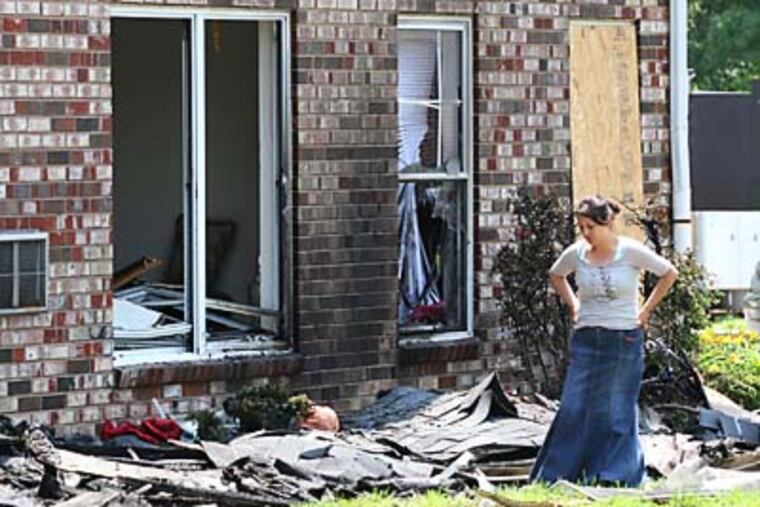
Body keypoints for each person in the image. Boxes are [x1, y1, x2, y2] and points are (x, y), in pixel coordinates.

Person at [530, 195, 678, 487]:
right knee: (574, 406)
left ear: (608, 223)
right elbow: (556, 274)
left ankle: (616, 476)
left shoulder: (630, 251)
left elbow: (669, 273)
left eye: (590, 227)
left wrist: (645, 311)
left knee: (616, 409)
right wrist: (573, 305)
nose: (585, 233)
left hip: (622, 339)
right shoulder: (577, 253)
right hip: (586, 339)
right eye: (581, 227)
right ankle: (558, 474)